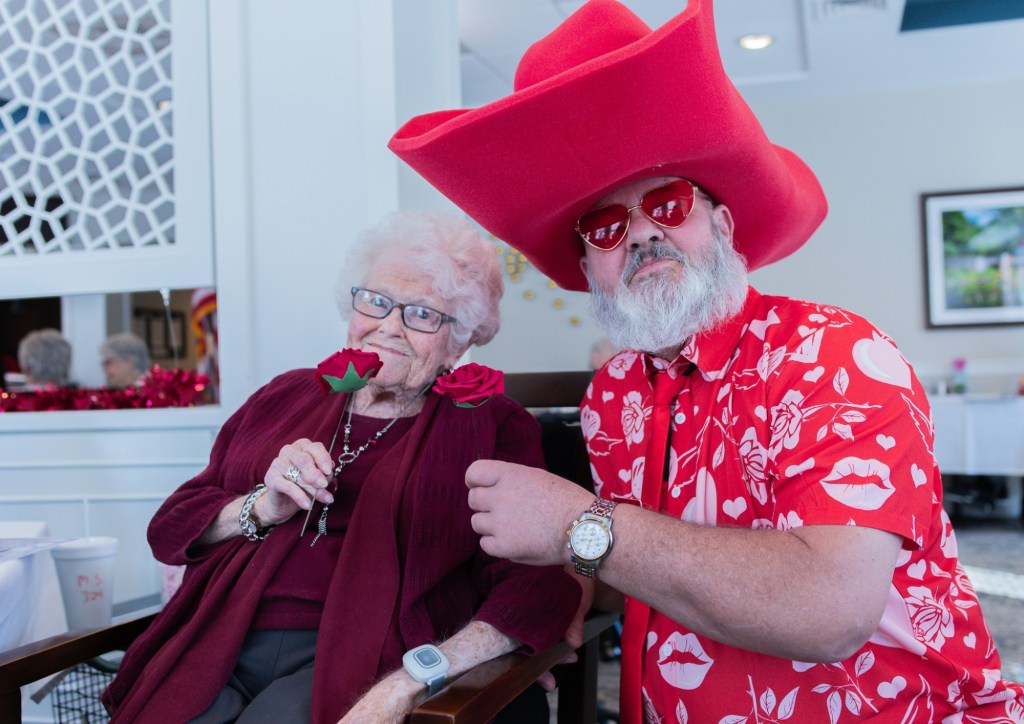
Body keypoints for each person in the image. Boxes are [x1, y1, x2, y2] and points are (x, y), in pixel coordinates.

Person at [388, 1, 1024, 721]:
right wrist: (546, 604)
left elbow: (830, 611)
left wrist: (578, 523)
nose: (639, 236)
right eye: (605, 226)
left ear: (722, 226)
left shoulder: (834, 353)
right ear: (588, 267)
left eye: (667, 203)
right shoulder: (612, 395)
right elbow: (638, 566)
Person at [101, 210, 580, 723]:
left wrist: (416, 679)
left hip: (366, 652)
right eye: (375, 301)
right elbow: (172, 528)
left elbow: (533, 585)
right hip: (221, 631)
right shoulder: (285, 395)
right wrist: (264, 505)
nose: (387, 327)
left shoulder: (490, 424)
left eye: (420, 314)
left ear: (459, 338)